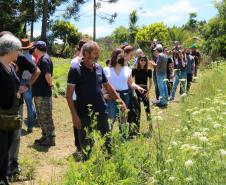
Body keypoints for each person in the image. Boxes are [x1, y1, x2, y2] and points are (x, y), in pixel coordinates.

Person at [66, 41, 126, 160]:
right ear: (86, 53)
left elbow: (108, 87)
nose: (98, 55)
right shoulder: (75, 69)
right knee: (87, 146)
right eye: (95, 53)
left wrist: (120, 101)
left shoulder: (98, 67)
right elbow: (68, 95)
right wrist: (74, 115)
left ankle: (108, 166)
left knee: (107, 142)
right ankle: (88, 171)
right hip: (84, 113)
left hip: (101, 111)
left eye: (98, 53)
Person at [8, 39, 40, 180]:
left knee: (15, 133)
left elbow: (37, 71)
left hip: (16, 102)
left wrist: (27, 86)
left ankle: (13, 162)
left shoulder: (19, 58)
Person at [104, 48, 145, 132]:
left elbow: (131, 83)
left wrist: (138, 87)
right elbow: (102, 86)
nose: (121, 57)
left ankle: (123, 137)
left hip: (124, 97)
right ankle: (108, 139)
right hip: (112, 97)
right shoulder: (106, 70)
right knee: (110, 119)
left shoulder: (127, 69)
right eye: (119, 56)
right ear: (114, 57)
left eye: (122, 56)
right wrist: (104, 94)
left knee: (123, 118)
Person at [0, 33, 21, 185]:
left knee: (6, 149)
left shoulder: (12, 66)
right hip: (0, 116)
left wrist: (18, 93)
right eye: (16, 50)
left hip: (11, 117)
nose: (18, 53)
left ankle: (3, 177)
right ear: (8, 50)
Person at [32, 41, 55, 147]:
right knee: (41, 116)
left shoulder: (44, 59)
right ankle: (45, 136)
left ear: (37, 48)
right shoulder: (43, 58)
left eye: (34, 48)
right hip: (39, 93)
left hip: (43, 94)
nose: (33, 50)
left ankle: (50, 138)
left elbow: (47, 75)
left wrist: (51, 84)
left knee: (46, 116)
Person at [70, 40, 87, 152]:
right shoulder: (75, 62)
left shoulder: (89, 61)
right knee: (78, 120)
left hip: (86, 96)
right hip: (77, 97)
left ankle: (84, 143)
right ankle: (78, 144)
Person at [132, 55, 152, 123]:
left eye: (145, 60)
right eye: (142, 60)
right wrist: (133, 91)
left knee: (147, 108)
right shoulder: (134, 70)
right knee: (137, 109)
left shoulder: (149, 70)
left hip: (145, 90)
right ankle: (137, 127)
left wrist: (148, 92)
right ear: (139, 61)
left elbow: (151, 82)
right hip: (137, 89)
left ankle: (150, 126)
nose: (143, 61)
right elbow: (131, 81)